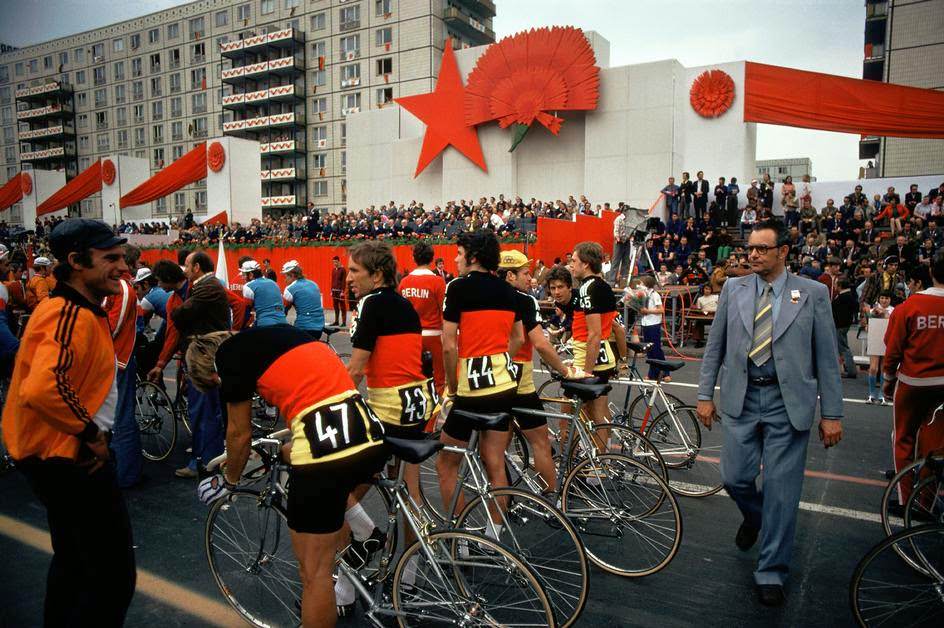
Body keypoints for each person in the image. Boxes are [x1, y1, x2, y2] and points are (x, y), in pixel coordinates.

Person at [187, 327, 386, 628]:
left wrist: (228, 481)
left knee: (315, 573)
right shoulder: (280, 336)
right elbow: (313, 403)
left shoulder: (228, 359)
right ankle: (364, 529)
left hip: (326, 451)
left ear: (210, 372)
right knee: (299, 458)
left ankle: (360, 539)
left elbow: (239, 434)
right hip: (367, 432)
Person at [696, 219, 843, 607]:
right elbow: (715, 346)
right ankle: (754, 516)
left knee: (782, 492)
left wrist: (833, 414)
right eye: (751, 249)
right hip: (741, 400)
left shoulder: (812, 294)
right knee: (734, 477)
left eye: (763, 249)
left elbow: (827, 359)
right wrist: (703, 394)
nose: (754, 254)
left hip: (787, 404)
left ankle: (771, 571)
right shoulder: (733, 288)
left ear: (783, 252)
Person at [1, 219, 137, 625]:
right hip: (67, 458)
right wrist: (91, 434)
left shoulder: (80, 310)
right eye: (110, 259)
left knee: (78, 568)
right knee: (108, 578)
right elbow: (42, 388)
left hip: (68, 453)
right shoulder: (66, 313)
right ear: (76, 261)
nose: (123, 268)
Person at [437, 229, 524, 520]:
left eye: (460, 253)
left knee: (447, 463)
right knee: (495, 461)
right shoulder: (509, 291)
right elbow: (519, 338)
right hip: (504, 383)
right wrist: (499, 360)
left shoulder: (458, 287)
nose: (455, 258)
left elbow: (448, 345)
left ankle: (458, 538)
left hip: (472, 388)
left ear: (473, 257)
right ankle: (495, 535)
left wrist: (451, 387)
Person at [499, 250, 584, 492]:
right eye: (526, 273)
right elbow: (541, 344)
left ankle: (500, 494)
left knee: (498, 440)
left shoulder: (488, 297)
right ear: (510, 276)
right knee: (540, 440)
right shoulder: (525, 300)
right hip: (518, 374)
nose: (532, 279)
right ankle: (551, 497)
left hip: (492, 374)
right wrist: (564, 370)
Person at [148, 253, 230, 477]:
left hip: (203, 356)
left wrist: (220, 336)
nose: (184, 268)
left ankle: (203, 461)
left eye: (187, 264)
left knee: (203, 410)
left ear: (196, 267)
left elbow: (176, 323)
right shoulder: (200, 288)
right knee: (210, 410)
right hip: (206, 355)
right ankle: (210, 458)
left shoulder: (204, 288)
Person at [882, 250, 944, 508]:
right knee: (935, 444)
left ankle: (906, 498)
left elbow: (893, 348)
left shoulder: (909, 307)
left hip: (913, 382)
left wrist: (887, 378)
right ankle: (926, 502)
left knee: (904, 439)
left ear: (931, 272)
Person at [570, 241, 627, 425]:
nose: (571, 265)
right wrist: (623, 358)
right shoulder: (604, 286)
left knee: (570, 411)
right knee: (599, 412)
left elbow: (593, 334)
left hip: (589, 356)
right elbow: (617, 327)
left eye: (574, 261)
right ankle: (604, 452)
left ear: (585, 263)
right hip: (605, 356)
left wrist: (586, 372)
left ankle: (589, 453)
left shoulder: (587, 288)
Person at [103, 246, 144, 488]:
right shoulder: (120, 286)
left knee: (121, 418)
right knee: (118, 417)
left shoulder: (124, 288)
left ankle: (126, 474)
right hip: (115, 358)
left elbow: (113, 326)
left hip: (119, 360)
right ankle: (127, 470)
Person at [398, 241, 447, 395]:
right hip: (434, 336)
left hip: (412, 336)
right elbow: (443, 312)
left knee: (414, 378)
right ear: (432, 258)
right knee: (439, 380)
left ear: (414, 258)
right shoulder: (438, 281)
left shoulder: (404, 282)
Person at [637, 275, 670, 380]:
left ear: (647, 285)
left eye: (642, 283)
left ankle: (666, 373)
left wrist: (648, 311)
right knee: (649, 350)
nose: (640, 285)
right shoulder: (643, 295)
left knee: (656, 349)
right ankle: (652, 373)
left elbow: (661, 310)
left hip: (654, 324)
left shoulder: (655, 295)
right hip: (645, 323)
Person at [281, 260, 325, 340]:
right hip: (319, 327)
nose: (285, 280)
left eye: (286, 276)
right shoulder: (313, 284)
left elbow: (283, 311)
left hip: (304, 327)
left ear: (292, 275)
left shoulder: (290, 289)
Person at [866, 292, 895, 404]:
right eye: (882, 298)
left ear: (890, 299)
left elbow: (891, 319)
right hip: (874, 339)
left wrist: (883, 312)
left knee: (883, 368)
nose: (884, 300)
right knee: (873, 368)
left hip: (886, 341)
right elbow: (868, 319)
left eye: (886, 298)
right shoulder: (874, 309)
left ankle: (882, 394)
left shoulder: (893, 310)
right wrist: (869, 312)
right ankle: (871, 394)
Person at [241, 260, 287, 326]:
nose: (243, 278)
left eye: (244, 275)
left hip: (265, 324)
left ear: (251, 275)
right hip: (283, 322)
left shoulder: (248, 286)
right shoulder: (273, 283)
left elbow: (247, 312)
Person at [831, 276, 859, 380]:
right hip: (845, 325)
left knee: (843, 347)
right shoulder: (850, 296)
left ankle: (851, 370)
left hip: (840, 325)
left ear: (840, 286)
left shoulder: (843, 297)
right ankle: (849, 369)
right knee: (843, 346)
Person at [610, 206, 632, 287]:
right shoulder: (618, 219)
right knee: (615, 262)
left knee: (626, 261)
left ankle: (623, 280)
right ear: (623, 211)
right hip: (619, 242)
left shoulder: (630, 220)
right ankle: (612, 281)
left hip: (627, 241)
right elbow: (616, 230)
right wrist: (617, 237)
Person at [330, 255, 348, 326]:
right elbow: (332, 280)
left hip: (340, 292)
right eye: (333, 262)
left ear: (339, 261)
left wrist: (342, 291)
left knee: (342, 307)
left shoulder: (343, 270)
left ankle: (344, 322)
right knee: (335, 307)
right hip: (334, 291)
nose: (335, 263)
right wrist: (331, 290)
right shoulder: (333, 270)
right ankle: (336, 321)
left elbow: (344, 281)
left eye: (336, 262)